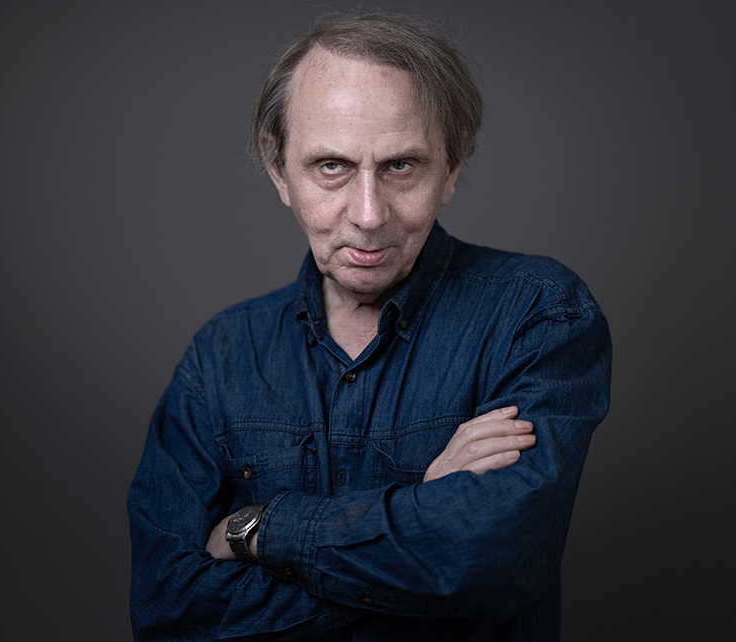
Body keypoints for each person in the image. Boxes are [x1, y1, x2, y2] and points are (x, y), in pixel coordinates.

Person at [128, 10, 611, 641]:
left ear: (451, 166)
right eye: (331, 166)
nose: (368, 213)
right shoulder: (221, 356)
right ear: (279, 170)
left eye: (400, 166)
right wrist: (422, 521)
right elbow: (169, 609)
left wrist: (262, 530)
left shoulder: (537, 314)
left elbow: (486, 561)